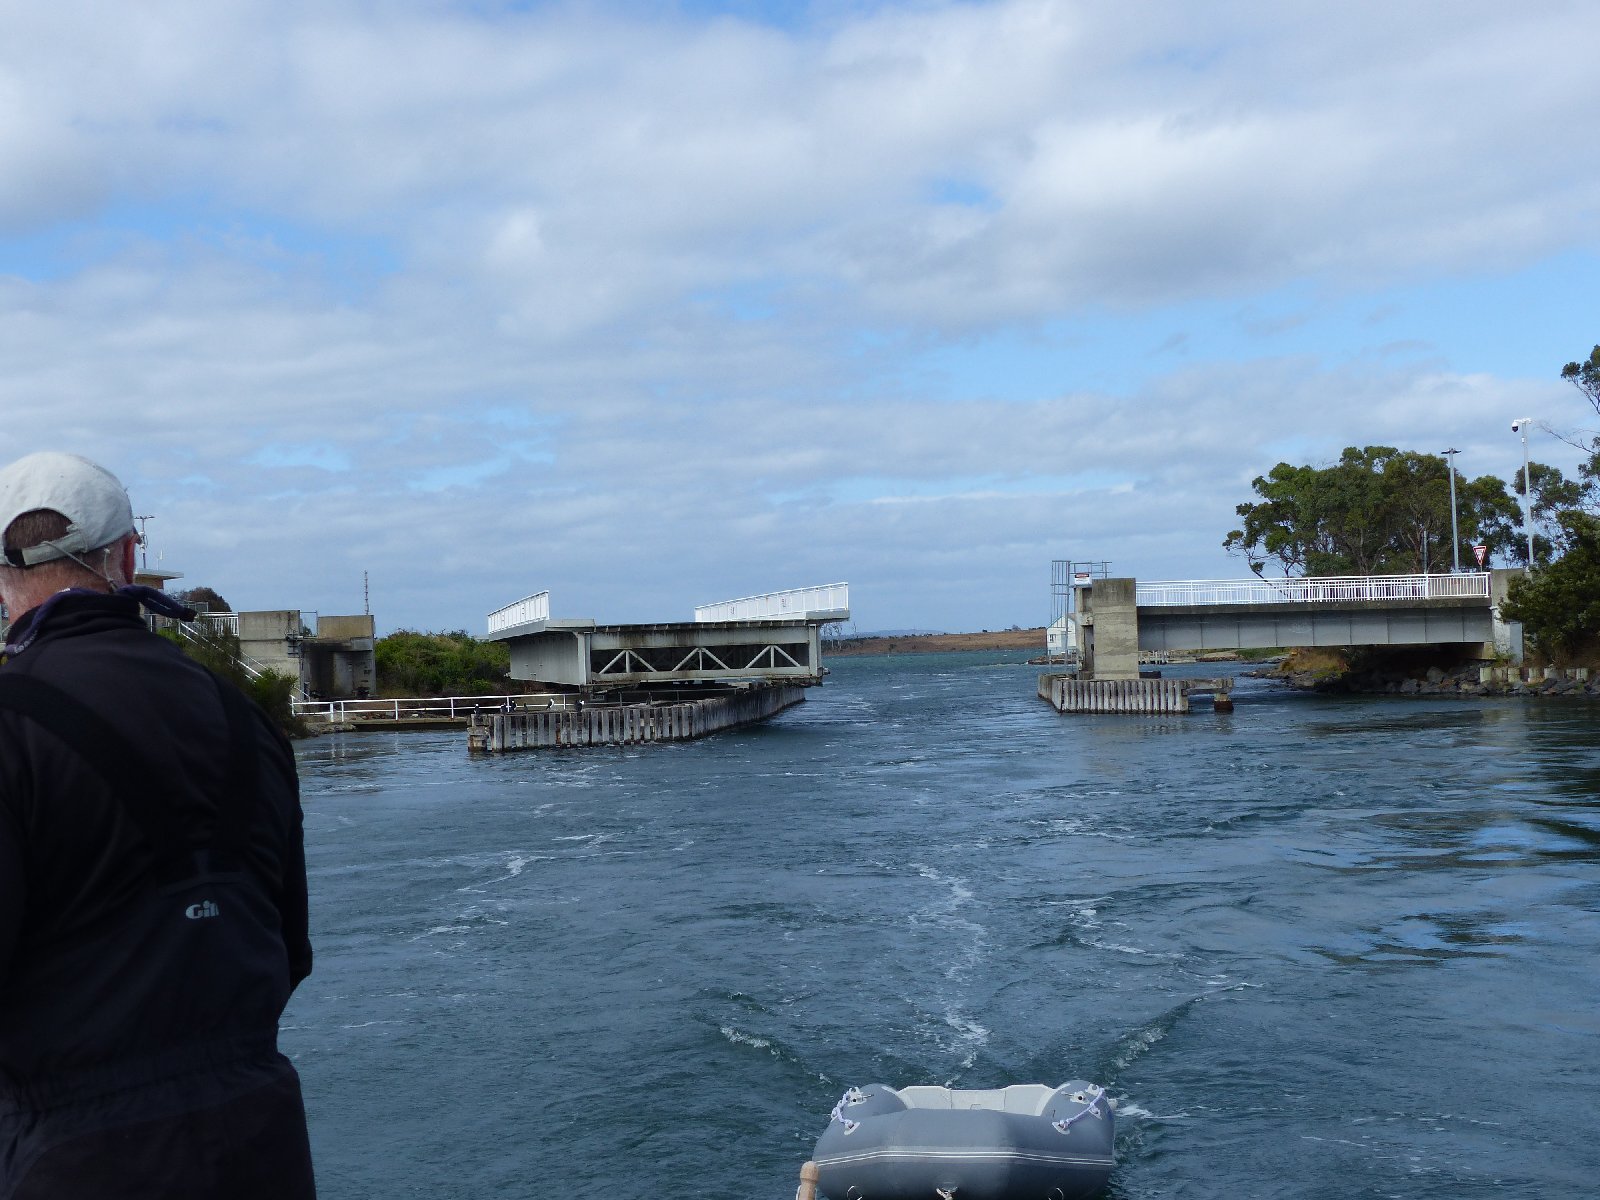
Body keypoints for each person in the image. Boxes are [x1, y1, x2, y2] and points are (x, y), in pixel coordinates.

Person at [0, 452, 315, 1198]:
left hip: (73, 1157)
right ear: (128, 556)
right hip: (260, 1139)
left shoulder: (11, 725)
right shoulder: (244, 716)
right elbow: (290, 946)